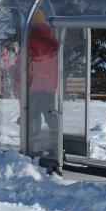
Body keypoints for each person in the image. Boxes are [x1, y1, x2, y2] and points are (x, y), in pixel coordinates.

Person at [27, 9, 59, 155]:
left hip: (33, 86)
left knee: (33, 119)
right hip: (49, 87)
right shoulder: (53, 37)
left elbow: (24, 63)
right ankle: (57, 149)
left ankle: (30, 148)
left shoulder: (29, 37)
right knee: (52, 119)